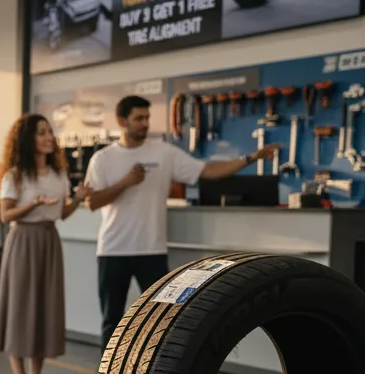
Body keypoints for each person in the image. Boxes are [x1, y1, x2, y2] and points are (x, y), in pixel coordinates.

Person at [81, 95, 280, 349]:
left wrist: (250, 158)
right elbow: (92, 202)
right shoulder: (103, 159)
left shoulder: (164, 153)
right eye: (138, 118)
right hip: (113, 250)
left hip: (151, 250)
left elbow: (207, 171)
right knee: (112, 321)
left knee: (160, 319)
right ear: (122, 121)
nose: (144, 123)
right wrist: (125, 183)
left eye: (147, 118)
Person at [0, 114, 81, 374]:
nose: (49, 137)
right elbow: (6, 215)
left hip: (49, 239)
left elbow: (62, 214)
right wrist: (34, 203)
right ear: (27, 139)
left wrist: (79, 198)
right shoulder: (15, 176)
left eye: (50, 132)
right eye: (42, 132)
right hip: (24, 240)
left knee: (46, 305)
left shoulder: (58, 175)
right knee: (20, 305)